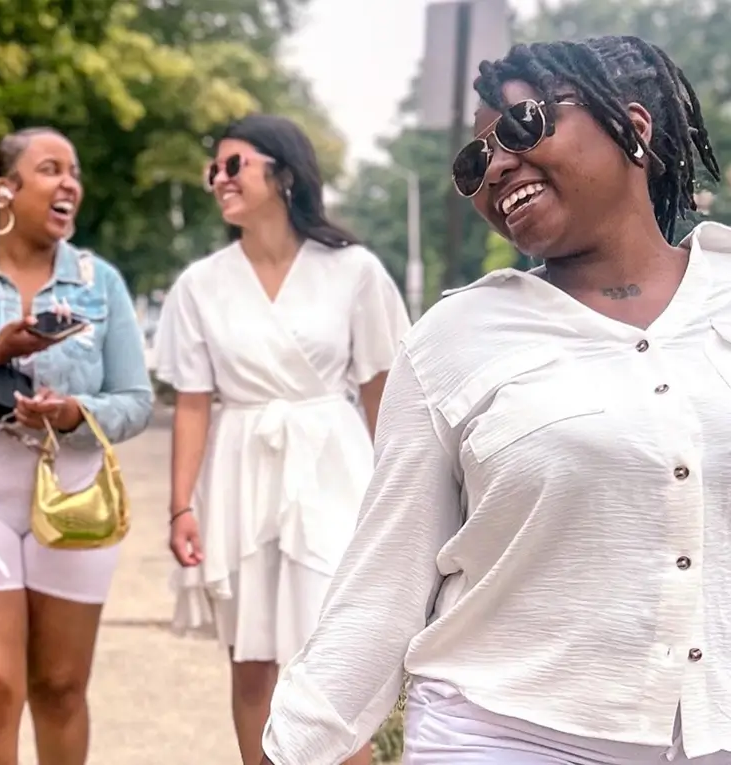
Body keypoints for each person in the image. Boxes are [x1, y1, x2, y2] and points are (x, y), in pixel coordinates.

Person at [262, 35, 731, 765]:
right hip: (501, 734)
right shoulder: (453, 339)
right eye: (474, 160)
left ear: (634, 127)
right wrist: (296, 746)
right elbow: (383, 582)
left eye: (520, 125)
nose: (497, 166)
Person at [155, 113, 410, 765]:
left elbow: (384, 391)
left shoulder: (353, 270)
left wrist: (401, 496)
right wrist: (181, 504)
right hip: (241, 471)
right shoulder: (200, 285)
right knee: (252, 662)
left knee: (330, 656)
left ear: (284, 173)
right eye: (214, 167)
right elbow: (192, 403)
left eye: (234, 164)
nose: (219, 178)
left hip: (333, 469)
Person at [0, 127, 153, 765]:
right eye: (51, 168)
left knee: (62, 686)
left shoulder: (101, 284)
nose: (69, 181)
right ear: (6, 188)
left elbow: (136, 400)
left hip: (72, 485)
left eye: (74, 171)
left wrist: (76, 413)